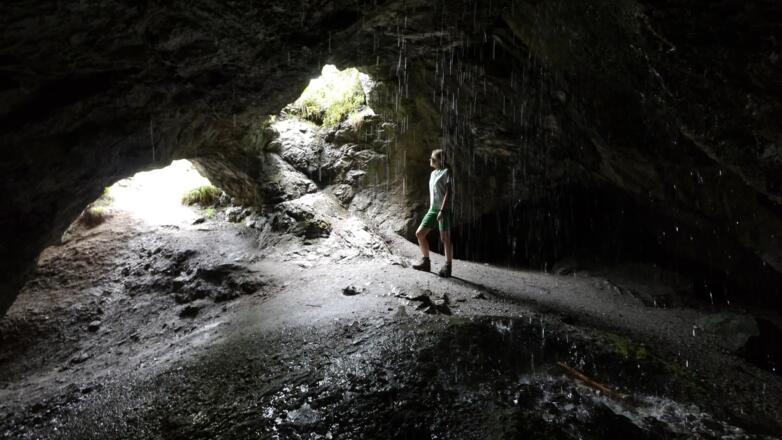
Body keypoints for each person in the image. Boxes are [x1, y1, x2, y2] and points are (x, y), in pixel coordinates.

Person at [412, 148, 453, 277]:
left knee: (445, 238)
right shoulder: (433, 173)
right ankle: (426, 262)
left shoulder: (447, 172)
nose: (430, 160)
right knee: (419, 234)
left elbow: (448, 193)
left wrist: (442, 210)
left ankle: (448, 266)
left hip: (443, 209)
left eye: (433, 159)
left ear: (440, 160)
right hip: (433, 209)